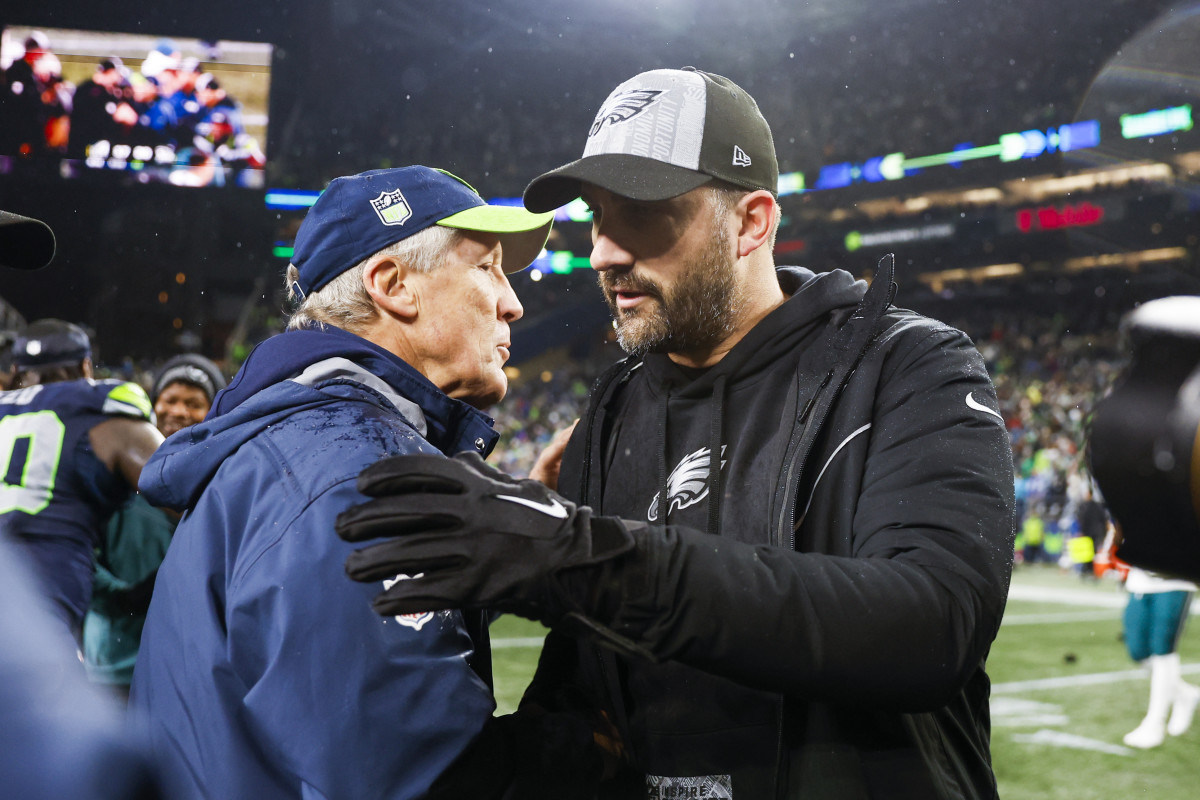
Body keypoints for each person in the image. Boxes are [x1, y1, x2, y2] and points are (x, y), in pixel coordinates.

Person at [336, 68, 1016, 798]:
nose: (602, 252)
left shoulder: (905, 364)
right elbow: (581, 691)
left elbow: (930, 629)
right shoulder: (614, 405)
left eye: (640, 214)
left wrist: (584, 560)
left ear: (751, 223)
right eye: (597, 215)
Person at [129, 166, 565, 800]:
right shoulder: (354, 465)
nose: (512, 301)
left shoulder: (301, 442)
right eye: (487, 267)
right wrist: (592, 740)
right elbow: (418, 775)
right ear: (393, 286)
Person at [0, 319, 162, 645]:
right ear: (86, 366)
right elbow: (190, 488)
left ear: (16, 370)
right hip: (42, 610)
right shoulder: (105, 411)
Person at [83, 354, 226, 697]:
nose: (178, 411)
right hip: (114, 663)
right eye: (170, 399)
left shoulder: (226, 477)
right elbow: (80, 549)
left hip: (185, 665)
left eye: (194, 403)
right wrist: (119, 596)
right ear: (154, 405)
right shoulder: (113, 471)